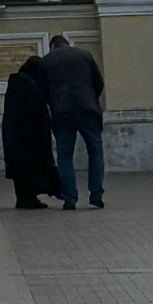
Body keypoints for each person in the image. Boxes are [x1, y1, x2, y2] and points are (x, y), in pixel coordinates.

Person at [46, 32, 106, 208]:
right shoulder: (84, 55)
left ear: (52, 47)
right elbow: (99, 83)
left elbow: (42, 89)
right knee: (95, 150)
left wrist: (54, 103)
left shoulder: (47, 61)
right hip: (88, 109)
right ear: (67, 43)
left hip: (62, 112)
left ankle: (70, 198)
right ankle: (95, 194)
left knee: (64, 155)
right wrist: (89, 99)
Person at [0, 48, 60, 210]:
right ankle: (29, 199)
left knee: (21, 171)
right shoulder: (31, 87)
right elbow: (37, 114)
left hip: (13, 135)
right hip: (29, 137)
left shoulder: (15, 84)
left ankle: (23, 199)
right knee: (31, 168)